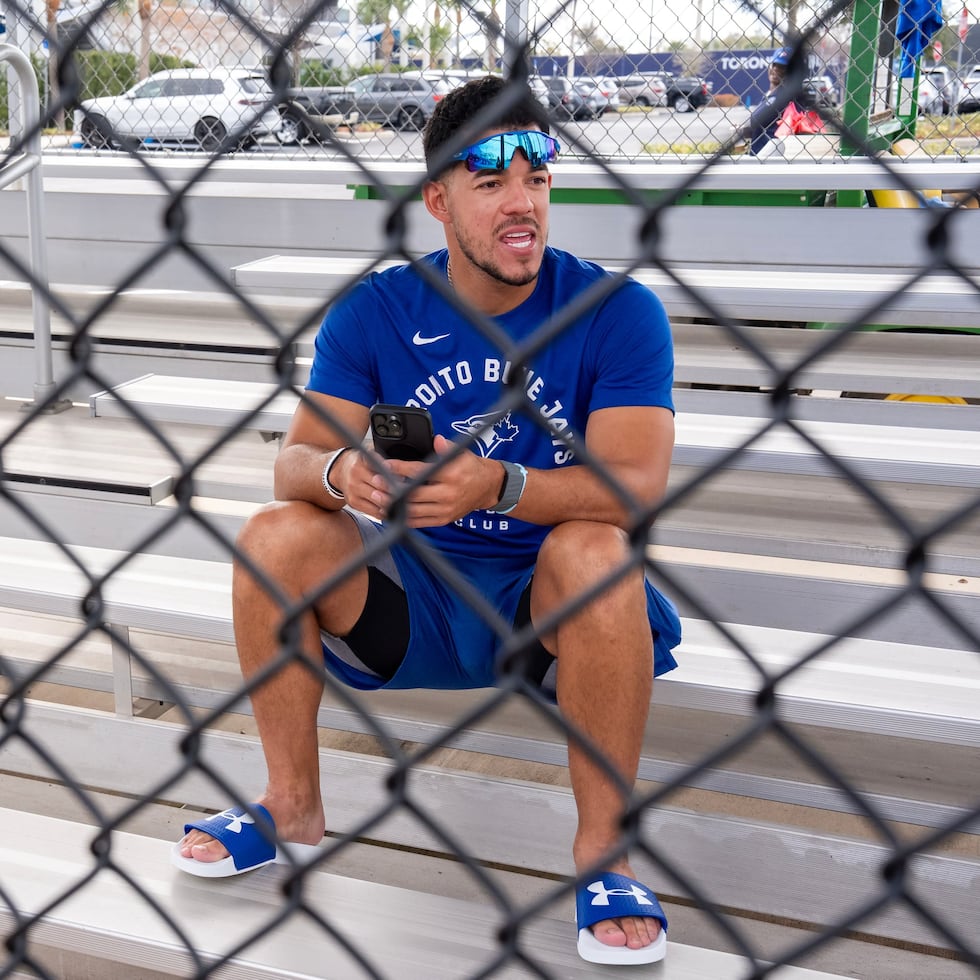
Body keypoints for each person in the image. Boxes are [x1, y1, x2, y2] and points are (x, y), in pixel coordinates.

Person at [171, 75, 681, 967]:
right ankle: (292, 802)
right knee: (275, 533)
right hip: (419, 602)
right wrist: (346, 474)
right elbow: (292, 465)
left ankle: (605, 851)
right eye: (491, 184)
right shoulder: (377, 310)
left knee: (599, 548)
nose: (522, 202)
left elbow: (637, 487)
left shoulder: (617, 311)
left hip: (548, 611)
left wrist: (499, 485)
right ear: (438, 200)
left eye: (538, 176)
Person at [739, 47, 824, 156]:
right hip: (763, 153)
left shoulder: (784, 96)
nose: (776, 70)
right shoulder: (773, 95)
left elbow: (755, 121)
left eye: (783, 67)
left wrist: (741, 130)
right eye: (774, 65)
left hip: (769, 156)